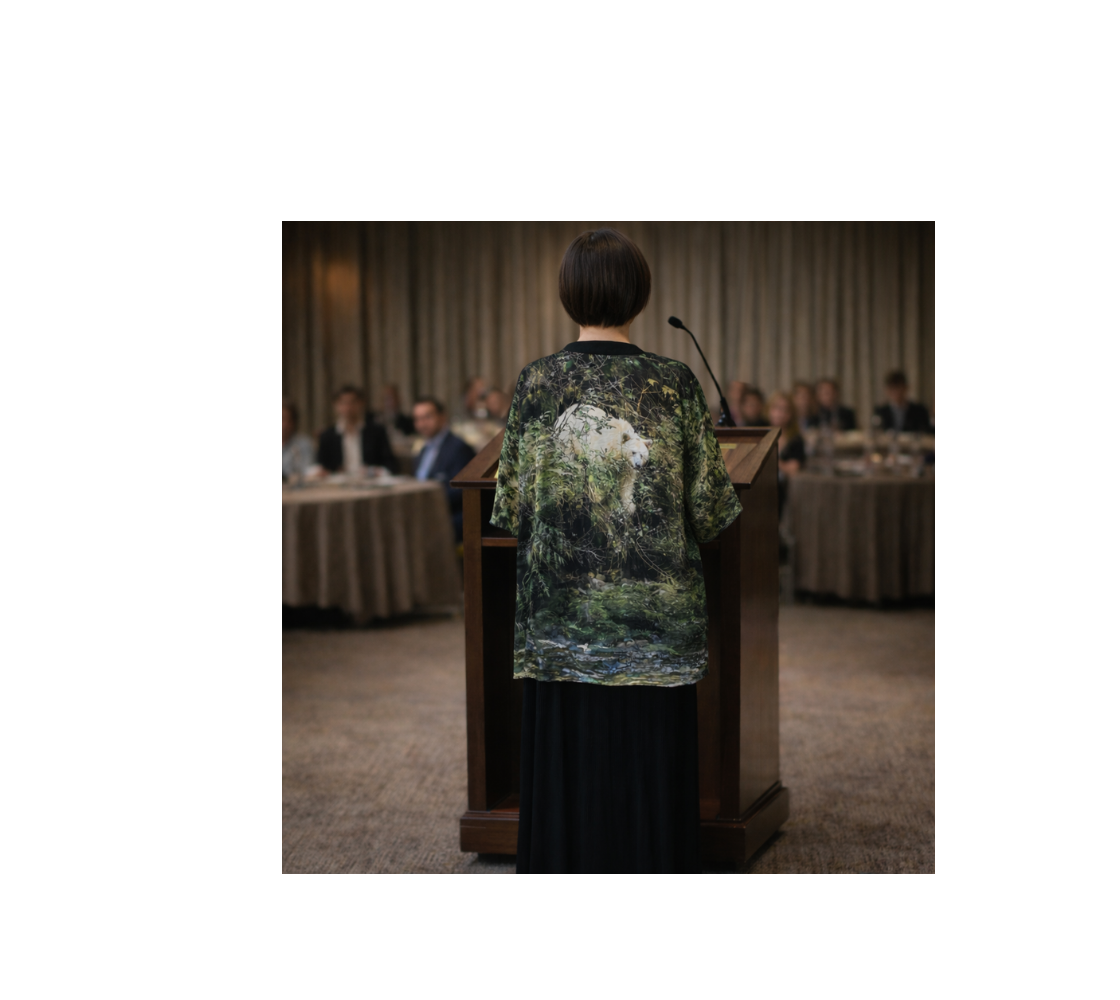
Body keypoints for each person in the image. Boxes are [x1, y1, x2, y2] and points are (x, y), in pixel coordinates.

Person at [491, 228, 741, 874]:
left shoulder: (535, 382)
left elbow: (511, 509)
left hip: (559, 629)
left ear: (568, 294)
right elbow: (713, 512)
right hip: (656, 640)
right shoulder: (677, 382)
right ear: (639, 294)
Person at [412, 396, 476, 542]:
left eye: (427, 417)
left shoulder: (458, 448)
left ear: (442, 416)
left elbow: (461, 490)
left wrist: (427, 502)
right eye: (417, 419)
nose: (422, 424)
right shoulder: (423, 449)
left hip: (448, 514)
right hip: (424, 510)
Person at [317, 385, 398, 474]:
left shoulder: (376, 432)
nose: (348, 407)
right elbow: (321, 466)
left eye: (352, 402)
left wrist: (374, 471)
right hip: (338, 484)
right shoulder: (328, 436)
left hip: (370, 482)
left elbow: (391, 465)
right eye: (343, 403)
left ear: (361, 403)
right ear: (336, 406)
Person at [282, 398, 314, 481]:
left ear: (293, 422)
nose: (284, 424)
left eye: (286, 419)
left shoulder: (304, 444)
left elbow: (307, 472)